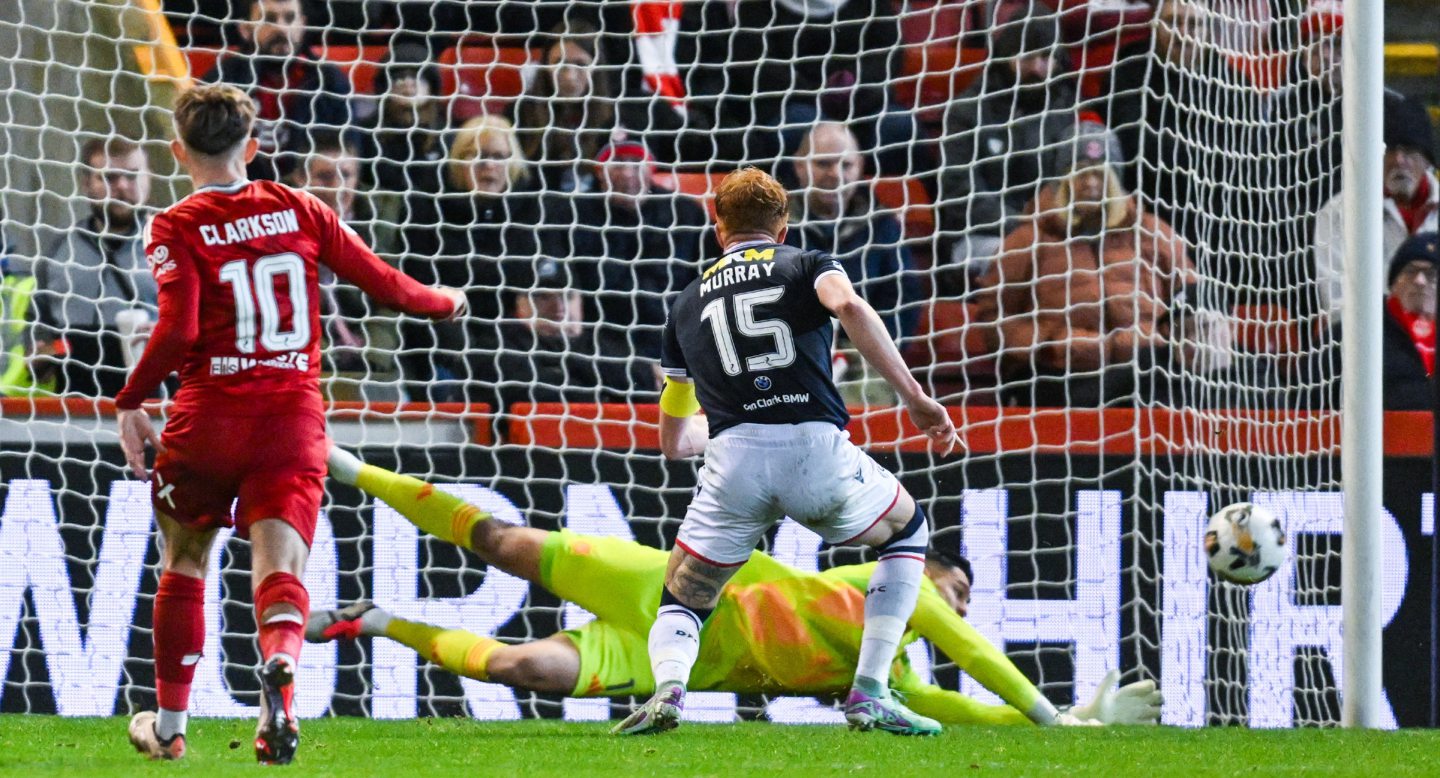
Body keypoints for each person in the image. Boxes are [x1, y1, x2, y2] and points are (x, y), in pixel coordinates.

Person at [309, 450, 1163, 728]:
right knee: (504, 542)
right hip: (665, 580)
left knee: (517, 672)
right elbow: (980, 659)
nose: (958, 602)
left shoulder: (888, 680)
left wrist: (1075, 725)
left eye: (964, 596)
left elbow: (974, 709)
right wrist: (1060, 718)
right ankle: (351, 468)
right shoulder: (890, 575)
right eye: (955, 584)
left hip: (663, 655)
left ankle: (379, 621)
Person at [117, 84, 464, 765]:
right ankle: (281, 670)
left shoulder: (173, 227)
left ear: (177, 151)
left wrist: (130, 398)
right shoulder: (298, 207)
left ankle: (167, 726)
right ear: (253, 147)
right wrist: (443, 302)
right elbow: (387, 284)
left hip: (207, 420)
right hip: (290, 420)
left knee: (184, 561)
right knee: (280, 567)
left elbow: (178, 328)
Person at [613, 167, 958, 737]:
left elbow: (674, 443)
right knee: (906, 531)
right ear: (784, 224)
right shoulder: (806, 262)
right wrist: (917, 398)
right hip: (813, 446)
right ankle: (869, 690)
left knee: (684, 592)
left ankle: (669, 690)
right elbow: (847, 308)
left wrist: (725, 426)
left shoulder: (685, 303)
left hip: (734, 459)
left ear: (717, 224)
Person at [971, 121, 1195, 407]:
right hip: (1060, 379)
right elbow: (994, 320)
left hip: (1145, 369)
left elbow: (1189, 298)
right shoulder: (1027, 240)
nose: (1091, 183)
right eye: (1080, 173)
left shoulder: (1153, 233)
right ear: (1061, 182)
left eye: (1100, 174)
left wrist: (1161, 337)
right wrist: (1053, 344)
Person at [396, 114, 541, 404]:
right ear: (456, 160)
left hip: (513, 338)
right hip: (446, 337)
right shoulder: (427, 209)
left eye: (499, 156)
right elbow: (419, 281)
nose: (488, 165)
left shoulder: (531, 211)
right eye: (475, 155)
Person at [938, 6, 1078, 277]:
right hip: (979, 239)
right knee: (1038, 261)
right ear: (1007, 55)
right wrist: (1025, 227)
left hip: (1050, 236)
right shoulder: (967, 111)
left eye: (1047, 56)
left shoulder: (1067, 113)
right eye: (1027, 55)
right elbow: (961, 197)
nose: (1037, 67)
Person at [544, 139, 710, 364]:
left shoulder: (685, 213)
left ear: (650, 166)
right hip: (600, 344)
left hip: (675, 337)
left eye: (636, 162)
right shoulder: (572, 216)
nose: (628, 173)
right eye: (617, 162)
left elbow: (710, 279)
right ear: (599, 171)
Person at [31, 137, 157, 398]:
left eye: (132, 176)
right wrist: (43, 352)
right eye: (109, 178)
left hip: (158, 404)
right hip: (76, 411)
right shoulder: (61, 252)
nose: (121, 186)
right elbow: (37, 328)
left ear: (149, 179)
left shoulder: (175, 244)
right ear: (87, 183)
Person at [786, 123, 918, 345]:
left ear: (860, 167)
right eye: (823, 163)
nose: (836, 175)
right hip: (793, 354)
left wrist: (870, 352)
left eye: (846, 165)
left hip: (865, 355)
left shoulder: (881, 226)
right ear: (799, 167)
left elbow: (902, 300)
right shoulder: (774, 227)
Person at [1313, 90, 1438, 317]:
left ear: (1428, 159)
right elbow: (1337, 305)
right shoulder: (1339, 213)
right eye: (1389, 150)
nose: (1399, 160)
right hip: (1376, 344)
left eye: (1409, 149)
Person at [202, 0, 352, 181]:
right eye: (269, 18)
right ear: (245, 29)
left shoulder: (330, 82)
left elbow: (349, 154)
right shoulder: (220, 84)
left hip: (308, 196)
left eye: (290, 18)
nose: (281, 28)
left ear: (302, 25)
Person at [1311, 233, 1439, 411]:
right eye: (1410, 271)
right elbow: (1309, 407)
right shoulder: (1350, 335)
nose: (1419, 280)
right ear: (1394, 283)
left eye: (1431, 274)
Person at [512, 21, 616, 193]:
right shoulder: (521, 113)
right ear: (545, 67)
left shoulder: (616, 115)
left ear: (596, 67)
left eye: (581, 64)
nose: (569, 76)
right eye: (559, 63)